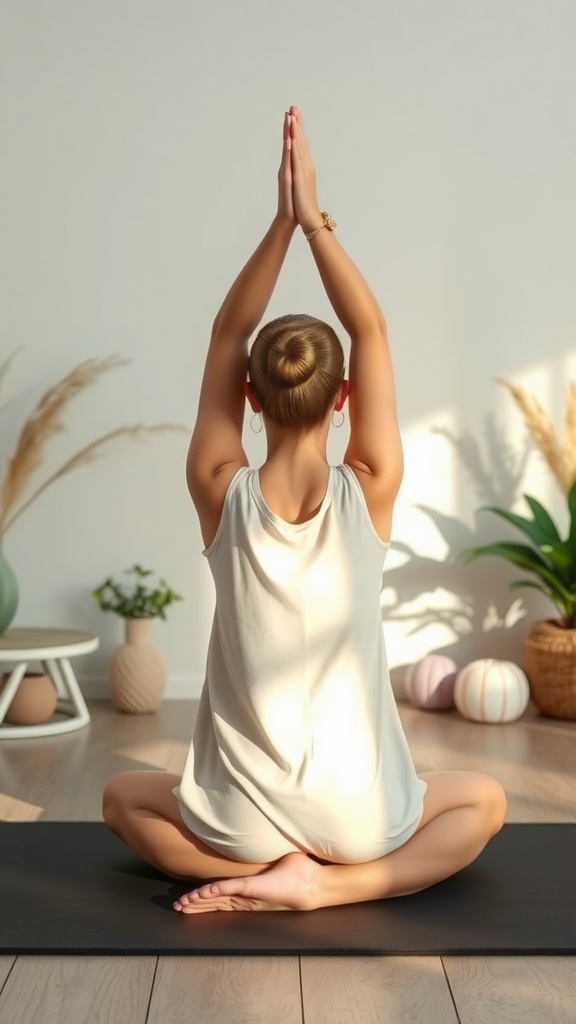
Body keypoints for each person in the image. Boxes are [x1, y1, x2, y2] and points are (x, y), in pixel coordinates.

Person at [102, 106, 506, 913]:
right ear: (344, 399)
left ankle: (260, 877)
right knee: (484, 803)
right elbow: (373, 328)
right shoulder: (373, 484)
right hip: (361, 817)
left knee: (120, 798)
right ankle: (331, 889)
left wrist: (279, 225)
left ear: (250, 397)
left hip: (238, 820)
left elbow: (228, 330)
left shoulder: (219, 488)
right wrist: (314, 218)